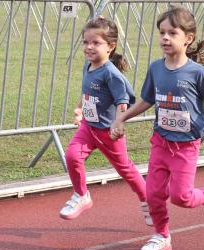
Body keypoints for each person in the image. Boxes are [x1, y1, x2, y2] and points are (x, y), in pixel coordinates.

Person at [111, 6, 204, 250]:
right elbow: (146, 101)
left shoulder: (196, 72)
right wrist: (122, 116)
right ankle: (162, 236)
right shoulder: (156, 68)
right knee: (153, 193)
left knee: (181, 197)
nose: (165, 38)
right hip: (161, 142)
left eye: (172, 33)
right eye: (162, 32)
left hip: (186, 146)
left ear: (187, 39)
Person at [59, 16, 152, 226]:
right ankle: (81, 195)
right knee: (72, 156)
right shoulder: (88, 66)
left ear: (110, 47)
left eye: (95, 43)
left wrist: (119, 123)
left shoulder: (112, 74)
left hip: (108, 132)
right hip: (88, 128)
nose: (89, 47)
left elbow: (123, 102)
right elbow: (87, 92)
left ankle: (148, 200)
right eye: (85, 42)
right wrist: (80, 109)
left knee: (125, 169)